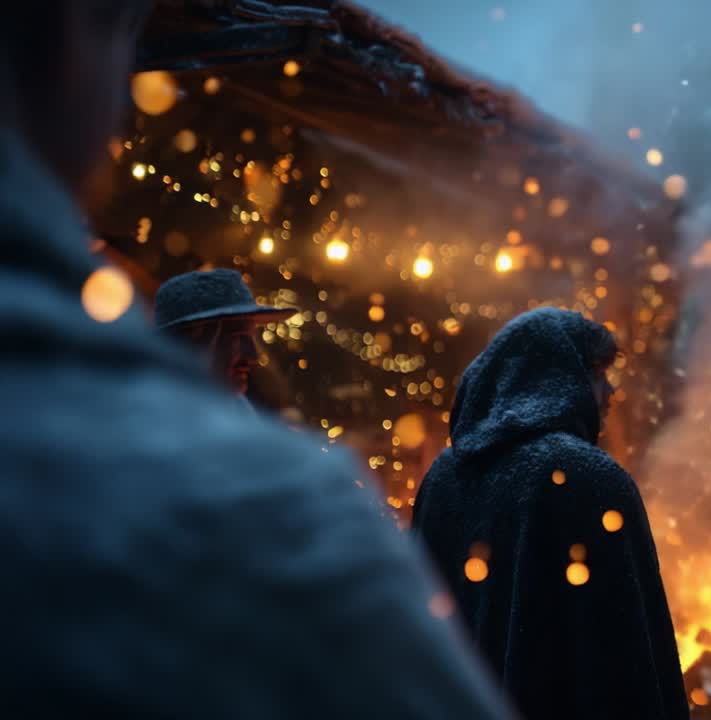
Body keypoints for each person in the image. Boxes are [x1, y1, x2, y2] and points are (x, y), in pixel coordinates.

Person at [0, 4, 511, 717]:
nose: (248, 351)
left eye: (248, 333)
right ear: (67, 45)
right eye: (231, 334)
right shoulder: (273, 506)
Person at [412, 308, 688, 720]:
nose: (611, 391)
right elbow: (631, 652)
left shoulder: (442, 477)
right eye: (598, 374)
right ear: (559, 379)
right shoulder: (592, 479)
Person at [154, 268, 292, 397]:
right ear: (189, 343)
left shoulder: (237, 409)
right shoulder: (153, 410)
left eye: (251, 338)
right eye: (239, 338)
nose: (253, 357)